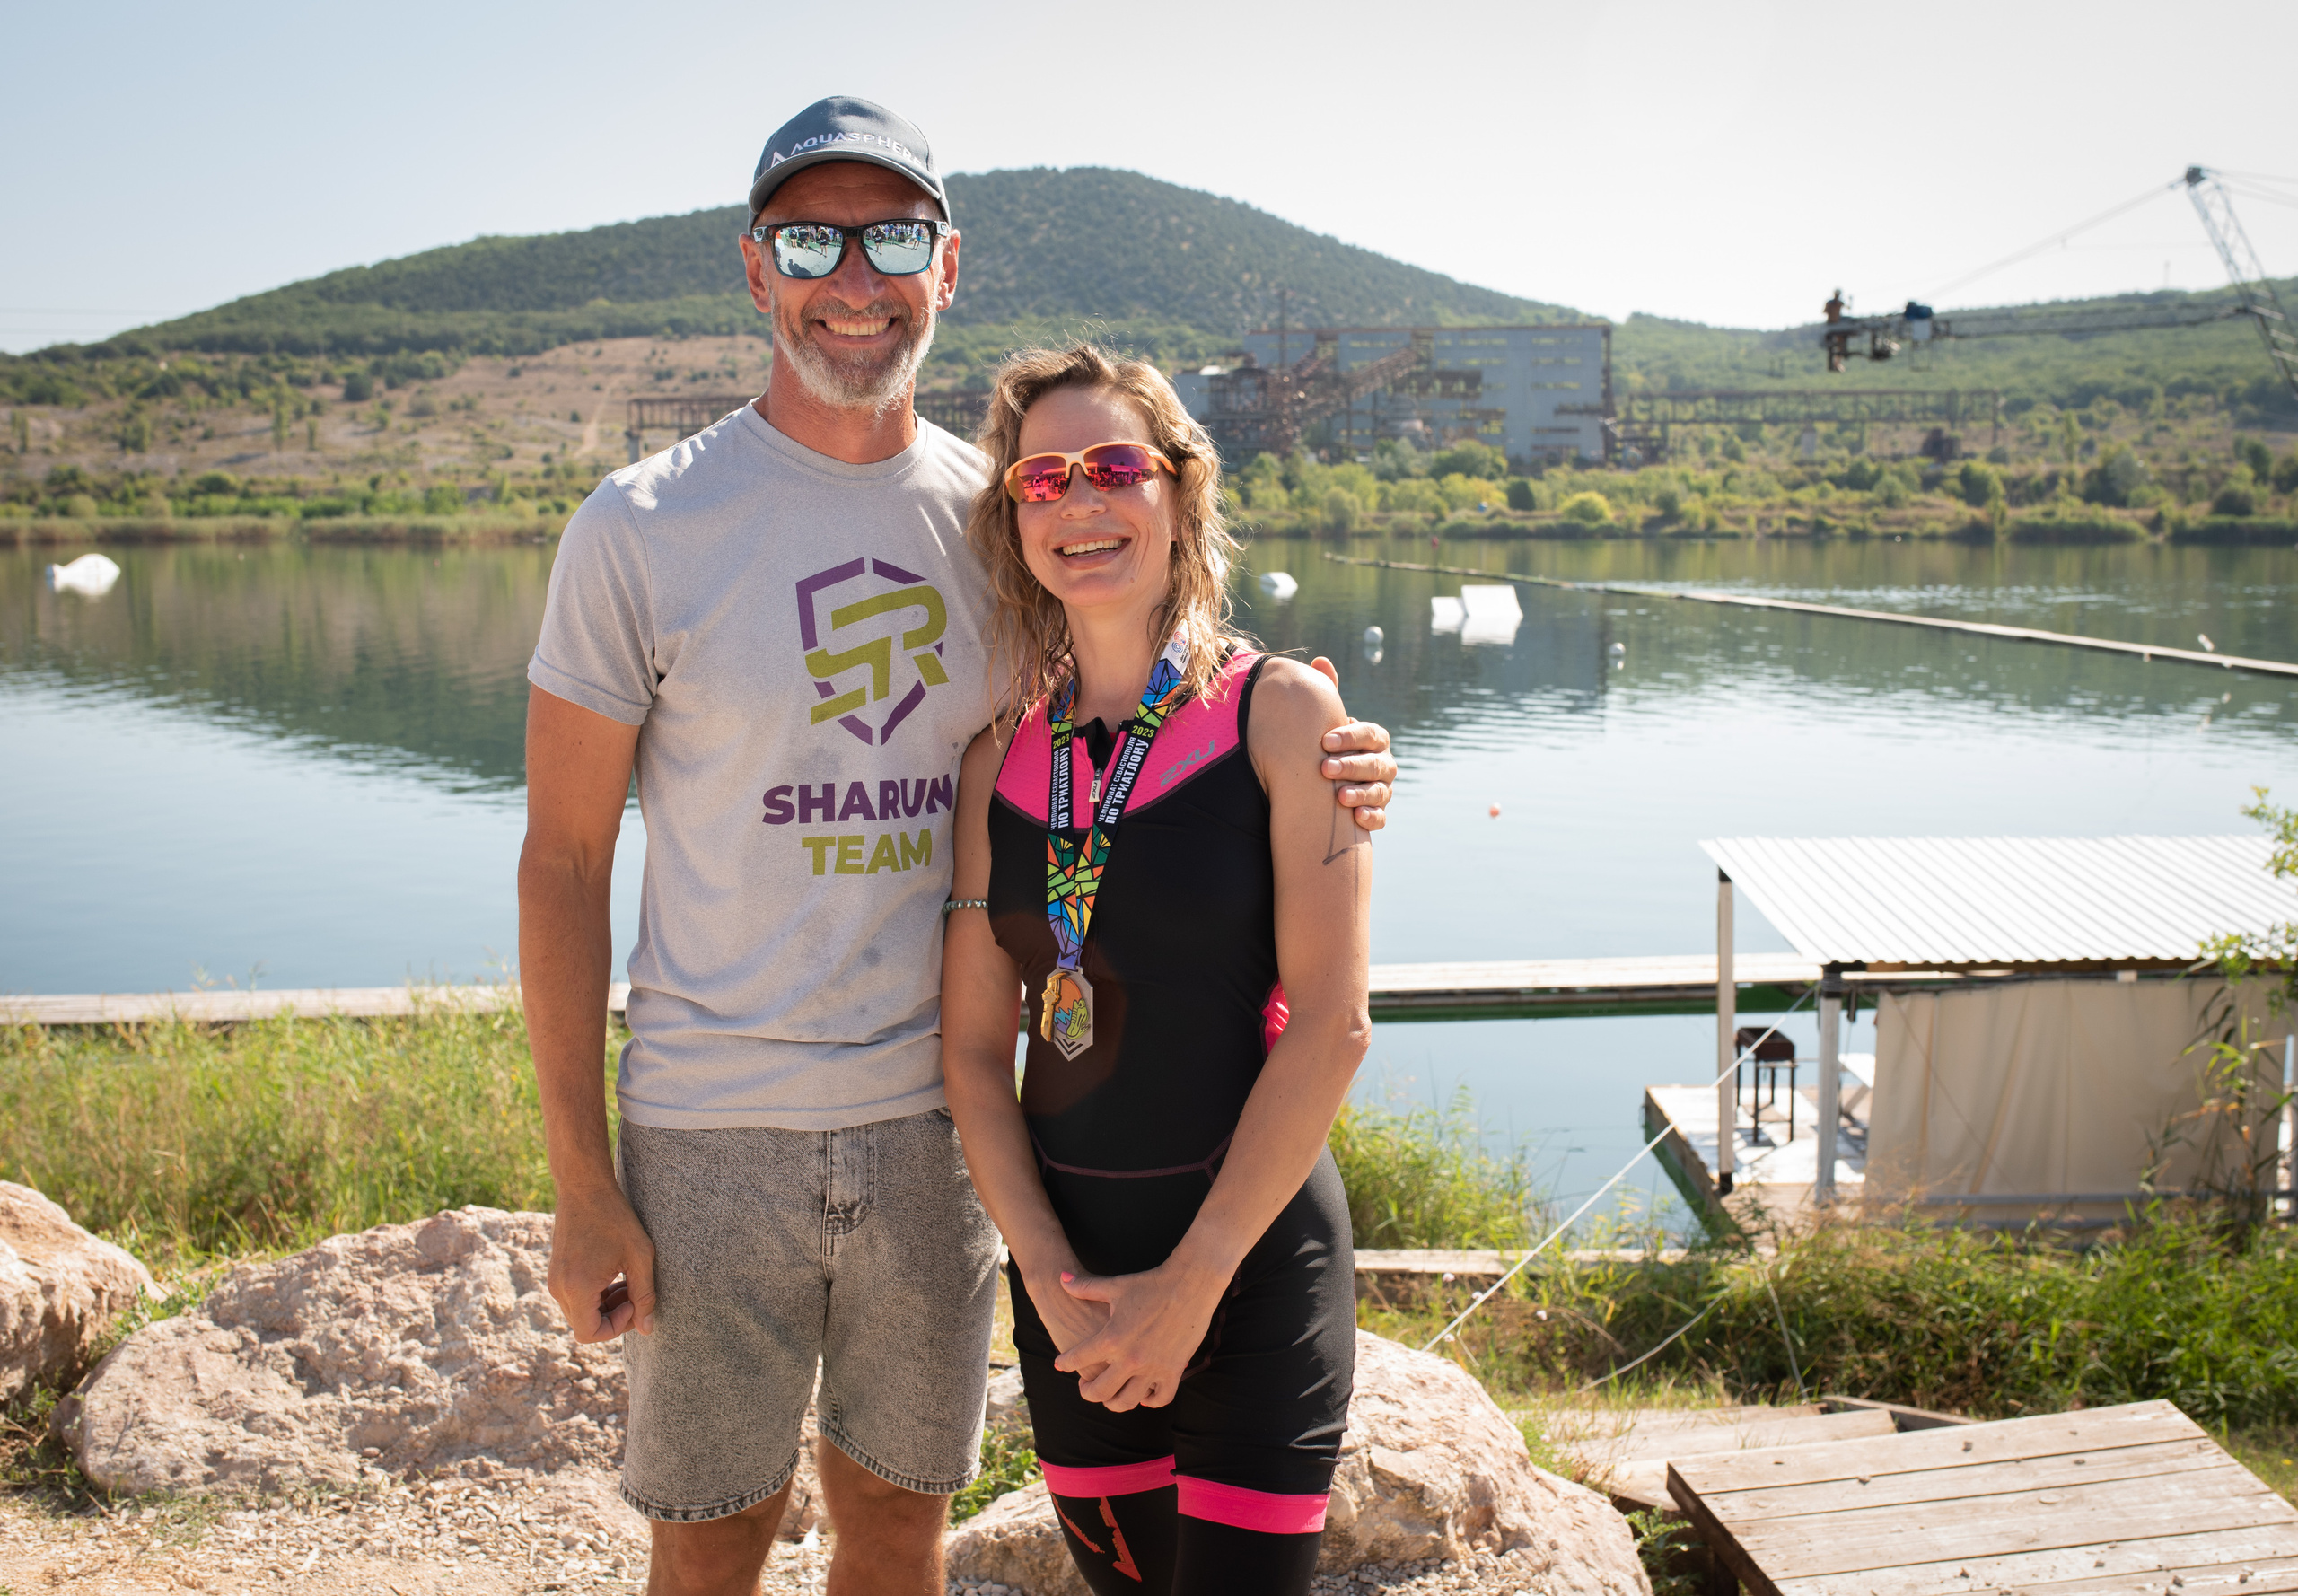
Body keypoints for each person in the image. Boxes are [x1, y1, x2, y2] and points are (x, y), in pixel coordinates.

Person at [518, 96, 1396, 1596]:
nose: (853, 277)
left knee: (897, 1529)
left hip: (940, 1136)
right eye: (812, 238)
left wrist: (1323, 738)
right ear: (754, 270)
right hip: (710, 1124)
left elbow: (1143, 659)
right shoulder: (639, 526)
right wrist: (579, 1174)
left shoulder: (989, 521)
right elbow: (561, 861)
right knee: (711, 1534)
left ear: (948, 264)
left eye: (894, 236)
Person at [941, 344, 1372, 1596]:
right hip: (1067, 1282)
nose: (1082, 503)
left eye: (1117, 466)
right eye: (1043, 479)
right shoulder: (995, 761)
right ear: (1013, 516)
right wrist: (1050, 1281)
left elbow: (1333, 1026)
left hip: (1246, 1275)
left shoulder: (1285, 714)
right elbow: (975, 1053)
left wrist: (1191, 1284)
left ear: (1181, 490)